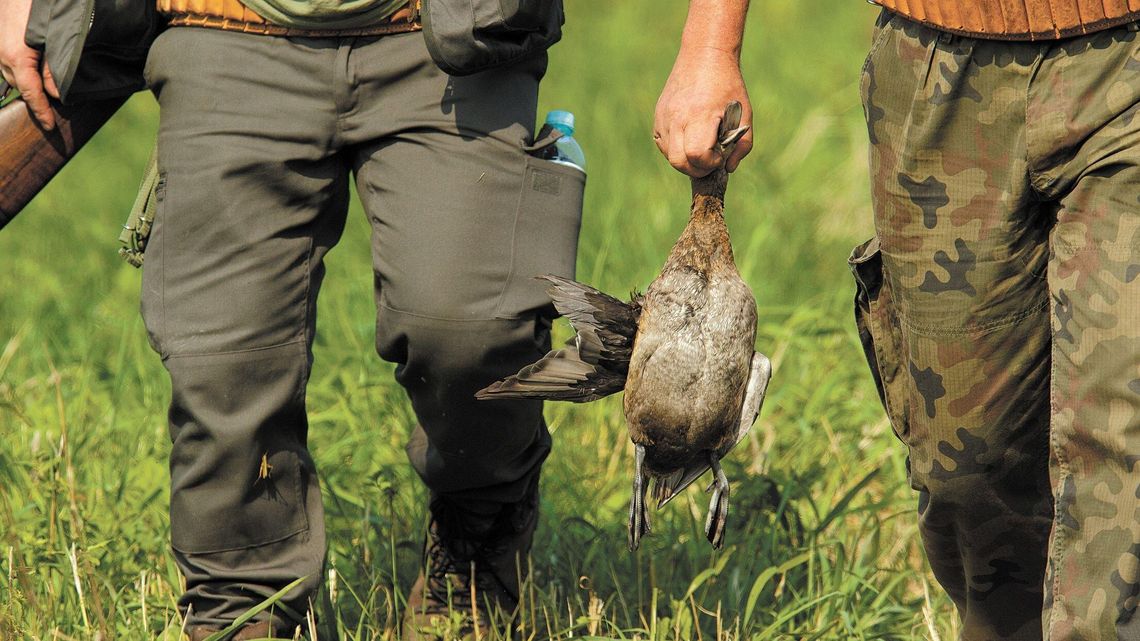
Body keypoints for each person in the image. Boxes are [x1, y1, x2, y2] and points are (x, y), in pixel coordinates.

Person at [0, 0, 752, 638]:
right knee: (222, 366)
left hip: (446, 38)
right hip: (221, 29)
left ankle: (476, 543)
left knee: (473, 332)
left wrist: (710, 47)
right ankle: (243, 610)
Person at [852, 2, 1140, 639]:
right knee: (967, 462)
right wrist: (710, 48)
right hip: (941, 58)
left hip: (1129, 58)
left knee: (1123, 429)